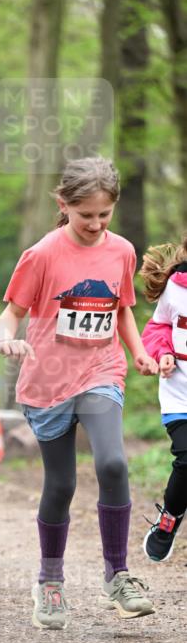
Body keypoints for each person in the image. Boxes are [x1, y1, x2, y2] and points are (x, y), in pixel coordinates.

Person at [0, 157, 157, 630]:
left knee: (112, 462)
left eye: (104, 215)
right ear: (63, 205)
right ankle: (49, 580)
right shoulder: (43, 254)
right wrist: (5, 337)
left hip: (100, 370)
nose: (95, 224)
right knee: (61, 485)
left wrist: (140, 352)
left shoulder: (122, 251)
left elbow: (122, 309)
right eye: (86, 215)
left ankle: (118, 575)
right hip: (47, 382)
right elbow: (11, 312)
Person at [139, 236, 187, 562]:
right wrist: (164, 352)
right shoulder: (177, 286)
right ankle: (169, 519)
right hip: (179, 395)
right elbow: (157, 327)